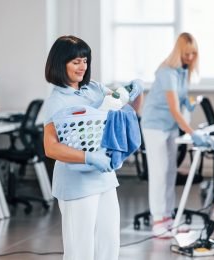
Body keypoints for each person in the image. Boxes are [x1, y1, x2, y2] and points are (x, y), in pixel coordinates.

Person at [43, 35, 142, 260]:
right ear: (60, 64)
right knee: (80, 249)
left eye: (85, 60)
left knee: (109, 243)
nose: (82, 66)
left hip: (104, 177)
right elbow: (51, 148)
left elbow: (125, 108)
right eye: (75, 62)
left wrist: (136, 92)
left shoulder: (94, 89)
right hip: (76, 182)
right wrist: (89, 157)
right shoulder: (56, 102)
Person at [141, 32, 214, 238]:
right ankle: (158, 220)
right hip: (155, 125)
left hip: (170, 125)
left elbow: (180, 103)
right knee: (159, 172)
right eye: (186, 53)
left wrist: (188, 103)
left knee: (170, 172)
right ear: (178, 52)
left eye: (193, 54)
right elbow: (174, 109)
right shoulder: (167, 72)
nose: (190, 58)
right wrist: (193, 133)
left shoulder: (184, 71)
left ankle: (168, 217)